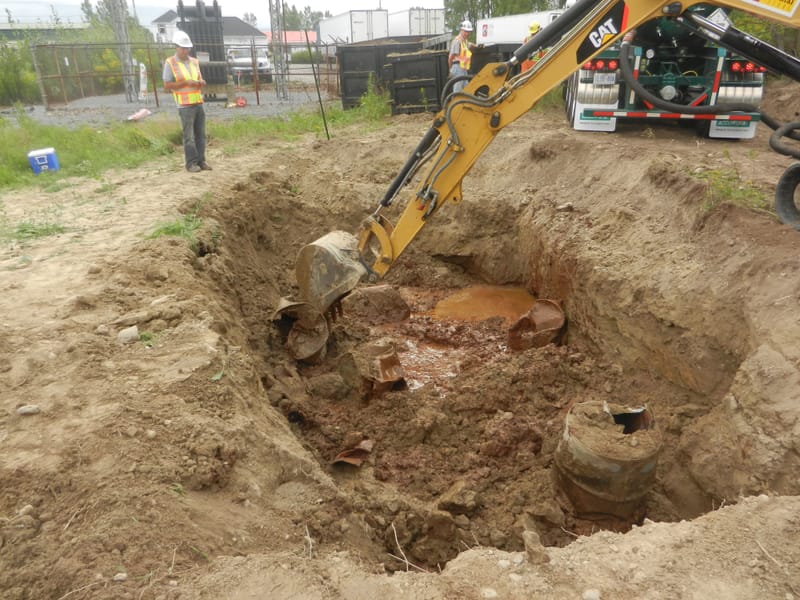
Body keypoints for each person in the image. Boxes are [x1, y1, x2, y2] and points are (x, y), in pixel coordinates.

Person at [163, 30, 211, 173]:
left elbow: (198, 78)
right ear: (176, 47)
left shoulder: (194, 62)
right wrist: (185, 83)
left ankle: (201, 161)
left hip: (198, 102)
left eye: (187, 48)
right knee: (188, 136)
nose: (186, 51)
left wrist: (200, 82)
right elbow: (167, 86)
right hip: (184, 105)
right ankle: (191, 164)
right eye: (183, 48)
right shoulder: (170, 63)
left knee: (201, 135)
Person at [448, 20, 477, 93]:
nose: (467, 33)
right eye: (465, 31)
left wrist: (476, 45)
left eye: (468, 32)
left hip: (463, 68)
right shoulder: (457, 41)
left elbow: (469, 44)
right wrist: (450, 69)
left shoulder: (464, 41)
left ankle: (462, 103)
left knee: (466, 89)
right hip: (457, 67)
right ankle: (455, 103)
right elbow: (451, 57)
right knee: (458, 90)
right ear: (461, 30)